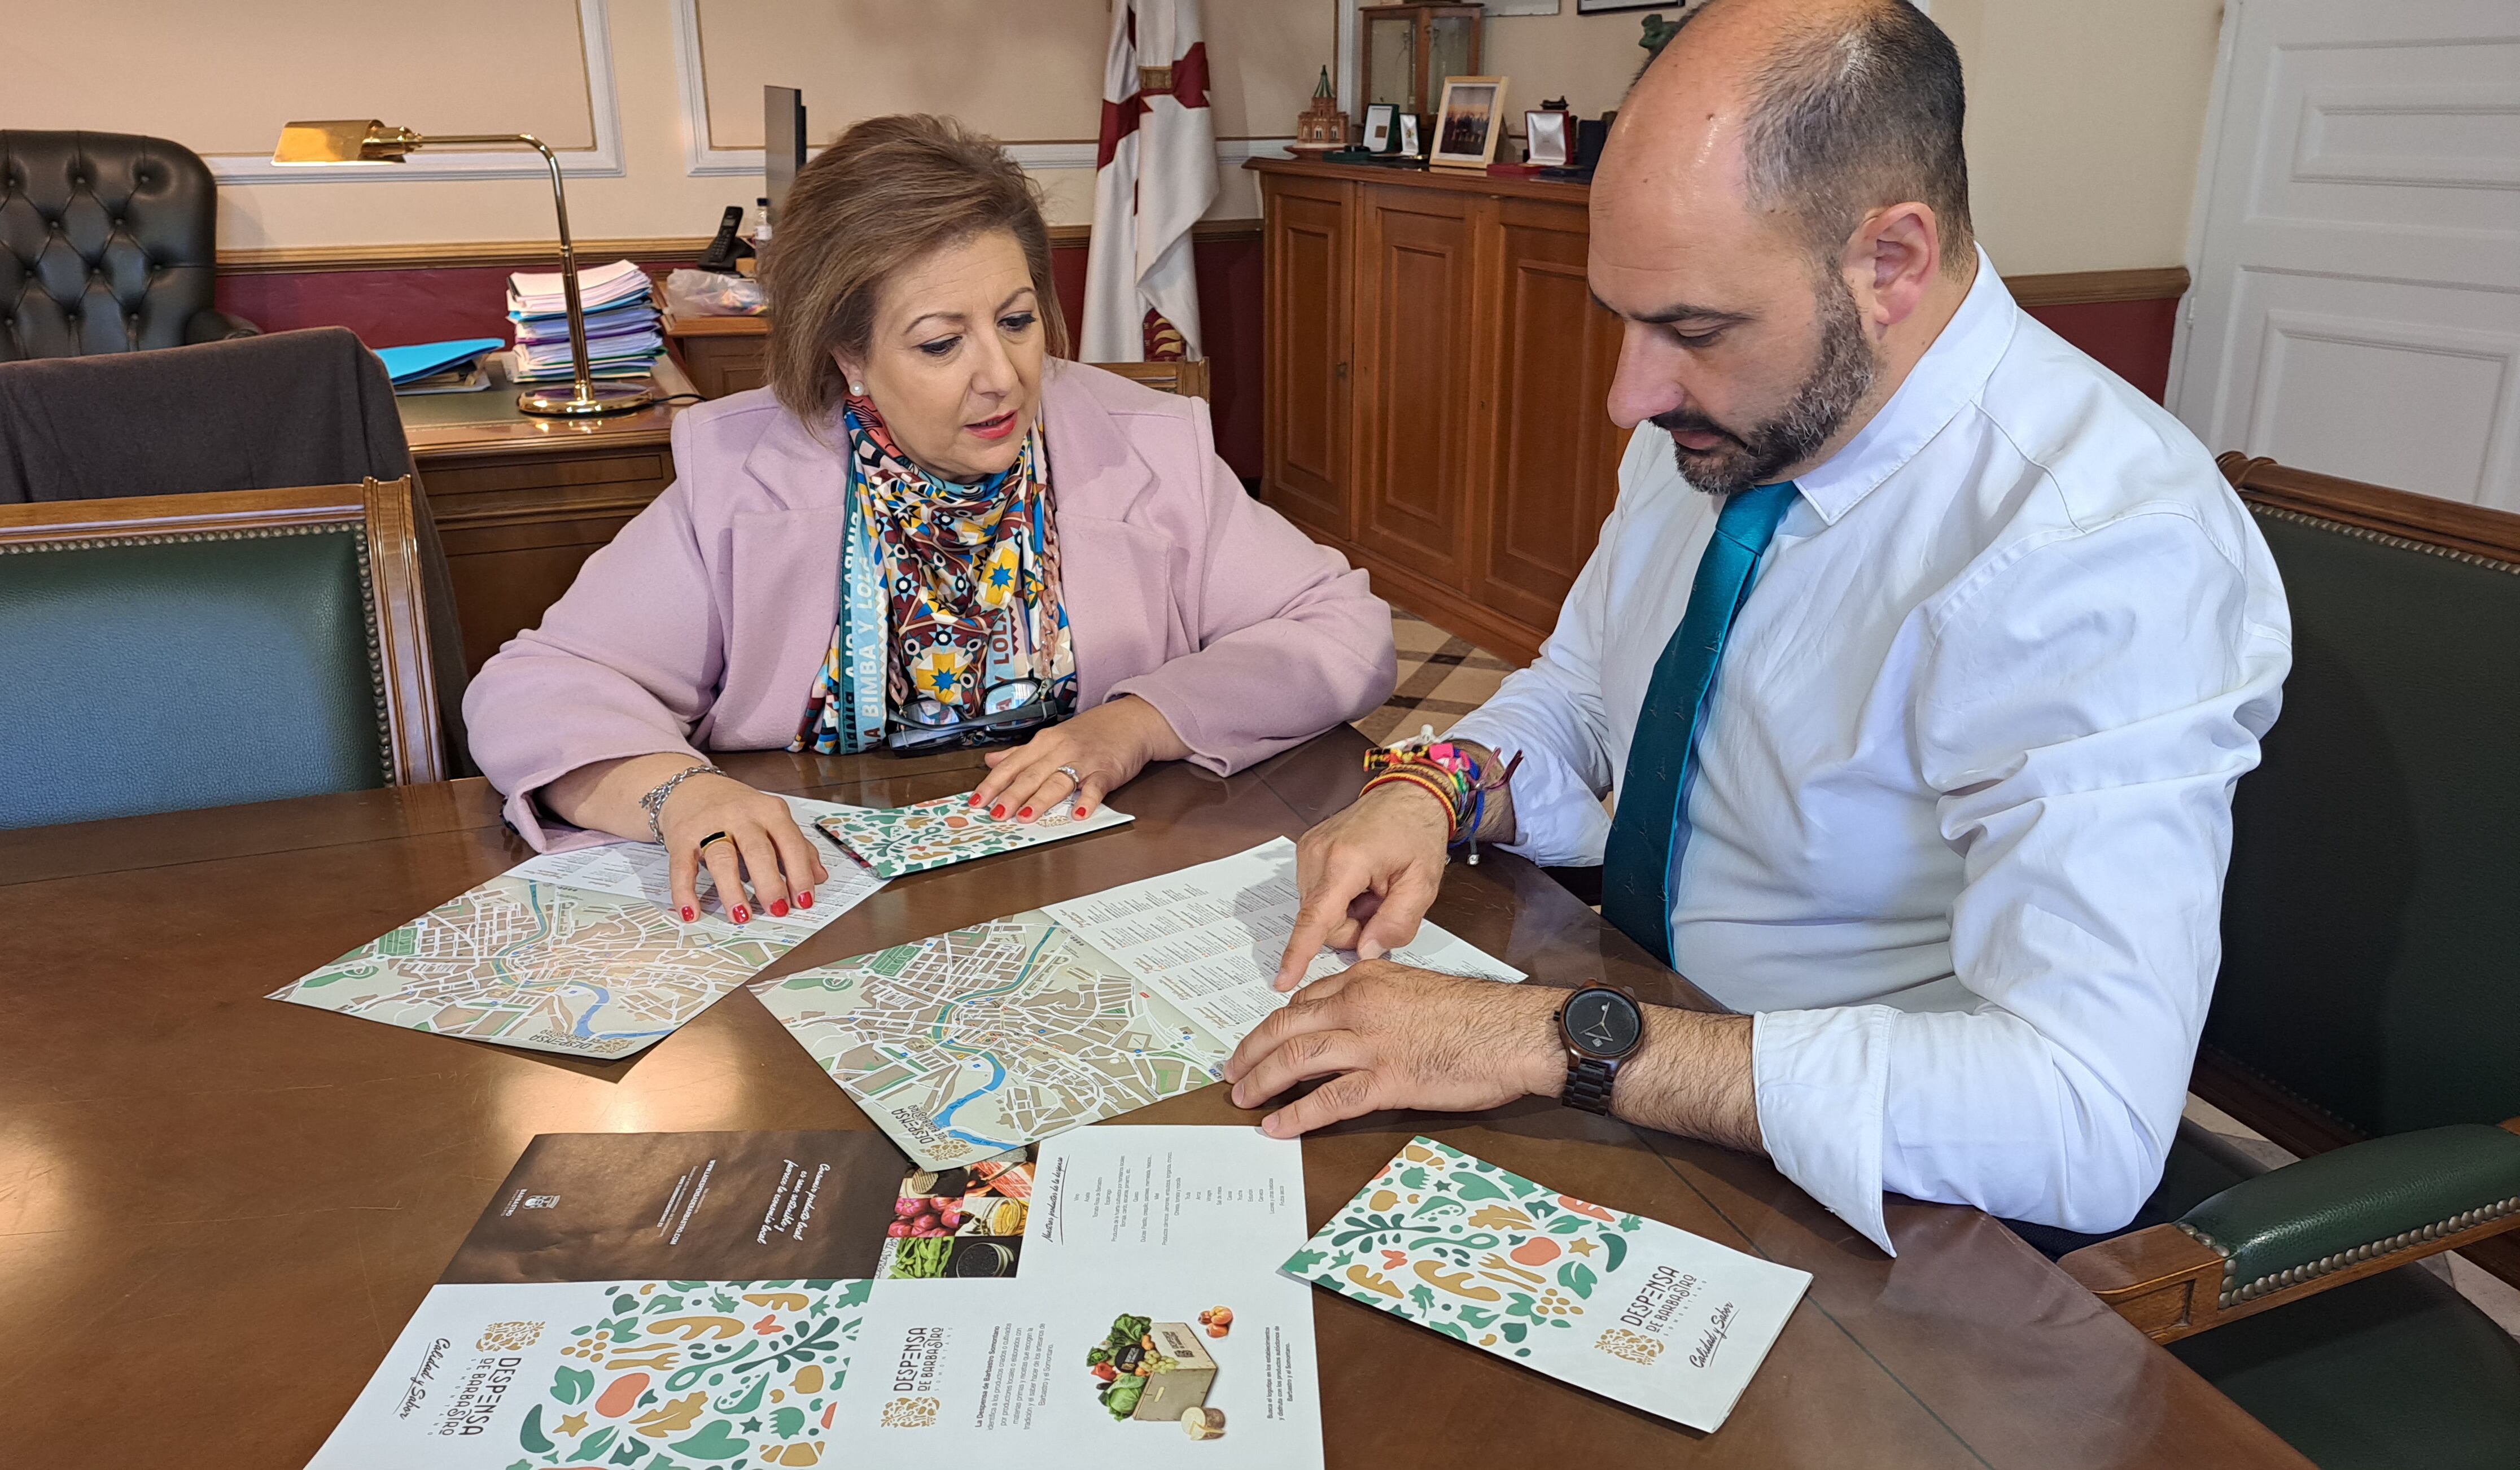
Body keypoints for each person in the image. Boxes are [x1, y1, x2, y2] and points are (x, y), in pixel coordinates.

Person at [1223, 0, 2291, 1253]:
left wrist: (1547, 1039)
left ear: (1888, 262)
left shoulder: (2102, 550)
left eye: (1689, 330)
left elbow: (2081, 1120)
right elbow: (1579, 689)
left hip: (1880, 1210)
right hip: (1640, 1041)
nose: (1630, 395)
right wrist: (1435, 786)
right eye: (1621, 317)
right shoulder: (1727, 425)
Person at [465, 115, 1394, 926]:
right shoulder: (745, 478)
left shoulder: (1146, 449)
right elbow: (537, 687)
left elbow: (1342, 631)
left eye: (1019, 320)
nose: (1002, 374)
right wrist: (681, 792)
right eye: (942, 343)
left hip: (1096, 894)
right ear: (850, 357)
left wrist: (1140, 723)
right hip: (816, 913)